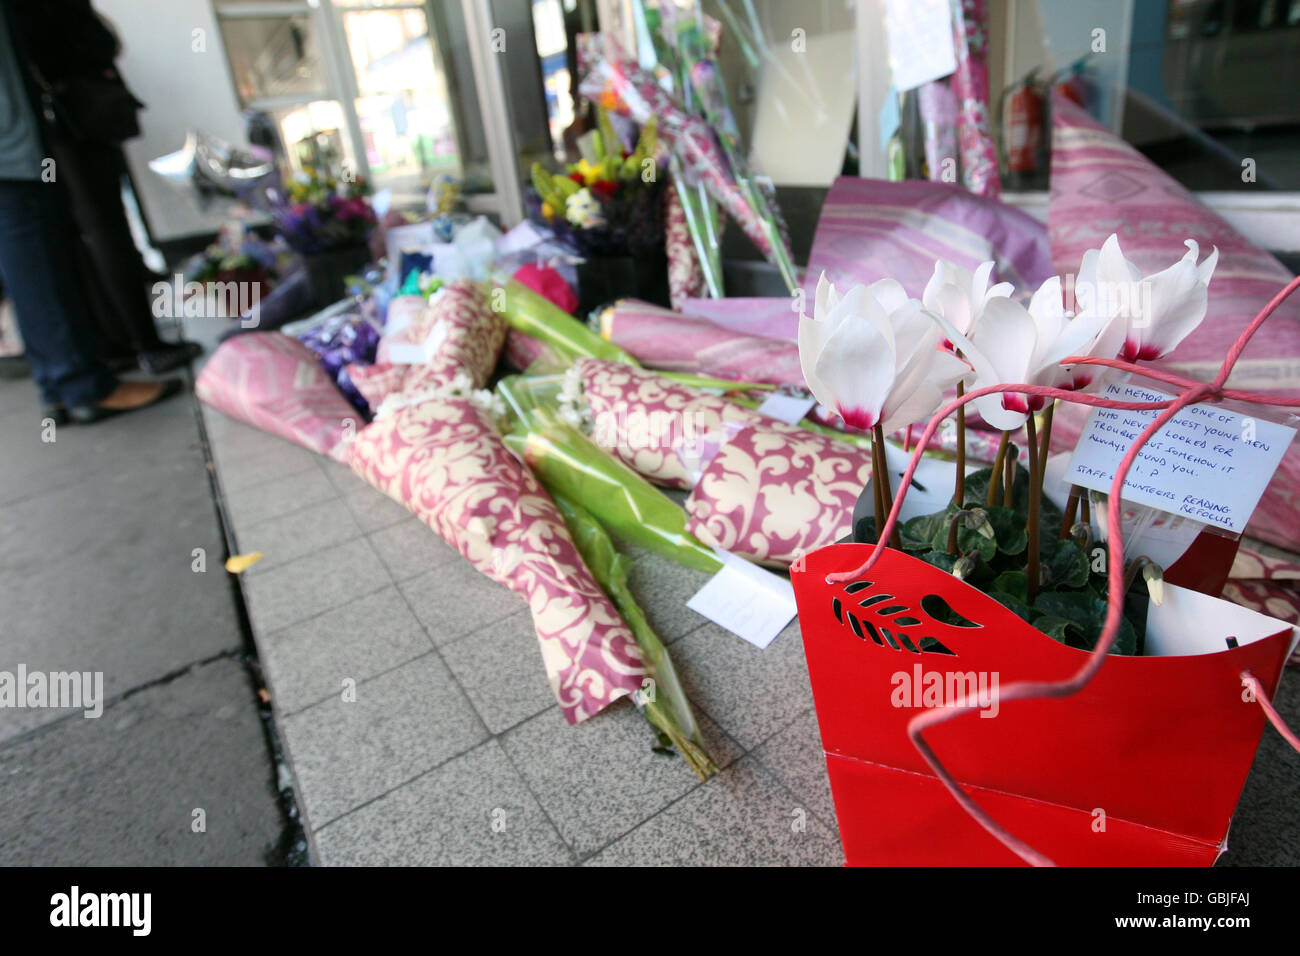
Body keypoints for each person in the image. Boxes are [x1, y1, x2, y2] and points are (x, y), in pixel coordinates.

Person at [0, 2, 179, 423]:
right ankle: (80, 381)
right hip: (17, 138)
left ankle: (65, 381)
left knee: (34, 239)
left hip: (17, 138)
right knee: (37, 237)